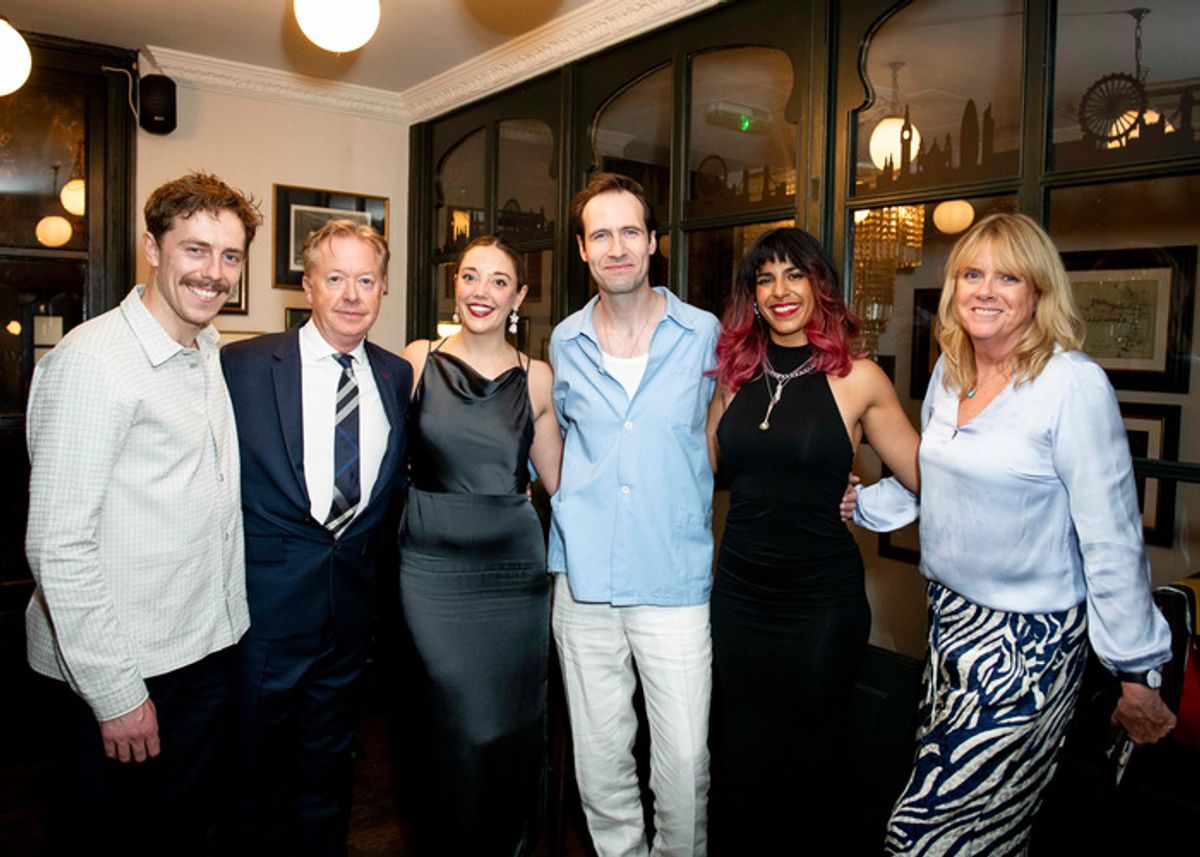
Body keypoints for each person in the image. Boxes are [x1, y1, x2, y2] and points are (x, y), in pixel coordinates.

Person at [854, 212, 1176, 855]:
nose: (985, 290)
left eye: (1008, 277)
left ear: (1038, 292)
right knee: (991, 832)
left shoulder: (1072, 384)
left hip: (1027, 646)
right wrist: (860, 505)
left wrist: (1137, 670)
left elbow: (1111, 537)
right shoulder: (952, 373)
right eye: (972, 274)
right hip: (949, 626)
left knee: (922, 837)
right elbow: (940, 481)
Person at [24, 171, 260, 855]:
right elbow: (58, 546)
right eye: (195, 250)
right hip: (123, 669)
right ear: (153, 249)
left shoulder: (205, 347)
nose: (214, 273)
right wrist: (116, 692)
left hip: (200, 654)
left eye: (230, 255)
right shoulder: (94, 362)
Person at [704, 227, 919, 852]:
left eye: (794, 274)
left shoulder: (859, 379)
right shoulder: (735, 376)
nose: (780, 290)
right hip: (739, 597)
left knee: (808, 766)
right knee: (741, 758)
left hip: (820, 605)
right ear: (752, 296)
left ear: (819, 284)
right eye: (765, 278)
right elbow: (702, 469)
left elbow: (933, 479)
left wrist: (869, 503)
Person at [220, 220, 412, 855]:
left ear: (383, 288)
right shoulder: (242, 365)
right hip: (264, 616)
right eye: (335, 278)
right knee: (254, 778)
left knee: (328, 773)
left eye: (366, 280)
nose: (352, 295)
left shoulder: (395, 375)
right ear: (308, 286)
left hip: (349, 618)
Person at [549, 172, 719, 856]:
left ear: (652, 242)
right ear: (582, 250)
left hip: (673, 578)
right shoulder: (564, 342)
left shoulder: (703, 335)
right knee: (600, 764)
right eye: (600, 235)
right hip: (583, 582)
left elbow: (734, 433)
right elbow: (558, 443)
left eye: (629, 232)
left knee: (684, 766)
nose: (615, 247)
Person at [398, 235, 562, 856]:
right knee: (450, 718)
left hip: (511, 571)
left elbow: (562, 483)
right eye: (470, 276)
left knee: (500, 724)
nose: (481, 291)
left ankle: (503, 843)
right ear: (455, 285)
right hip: (430, 565)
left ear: (519, 297)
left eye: (499, 281)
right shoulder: (418, 359)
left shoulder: (537, 378)